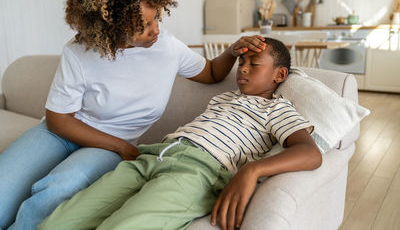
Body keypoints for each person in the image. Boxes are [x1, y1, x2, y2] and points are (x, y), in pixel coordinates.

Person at [0, 0, 266, 229]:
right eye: (143, 26)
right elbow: (59, 120)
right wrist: (123, 148)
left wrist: (232, 51)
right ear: (111, 27)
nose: (156, 30)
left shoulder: (167, 47)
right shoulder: (79, 51)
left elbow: (210, 72)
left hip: (109, 144)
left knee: (58, 188)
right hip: (58, 133)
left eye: (157, 18)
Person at [38, 37, 323, 230]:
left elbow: (310, 153)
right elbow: (216, 71)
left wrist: (251, 171)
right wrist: (231, 51)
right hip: (151, 157)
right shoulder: (224, 99)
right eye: (241, 64)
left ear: (280, 75)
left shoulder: (277, 109)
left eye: (255, 65)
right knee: (59, 222)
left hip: (196, 173)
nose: (243, 70)